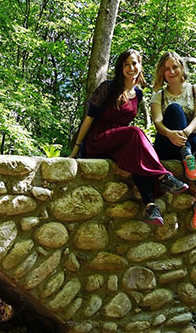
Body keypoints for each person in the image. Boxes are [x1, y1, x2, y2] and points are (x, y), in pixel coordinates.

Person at [70, 49, 188, 225]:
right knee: (135, 132)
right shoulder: (108, 87)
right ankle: (163, 177)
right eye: (126, 64)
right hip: (99, 139)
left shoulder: (138, 94)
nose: (131, 68)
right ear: (121, 67)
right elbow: (89, 118)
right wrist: (77, 148)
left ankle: (150, 207)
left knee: (136, 156)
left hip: (119, 141)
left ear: (140, 66)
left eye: (134, 63)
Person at [150, 51, 196, 230]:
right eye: (167, 69)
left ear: (182, 68)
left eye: (175, 67)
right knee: (174, 109)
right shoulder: (159, 96)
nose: (171, 71)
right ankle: (186, 155)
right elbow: (158, 122)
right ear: (162, 72)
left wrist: (186, 132)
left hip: (195, 133)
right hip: (168, 140)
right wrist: (170, 134)